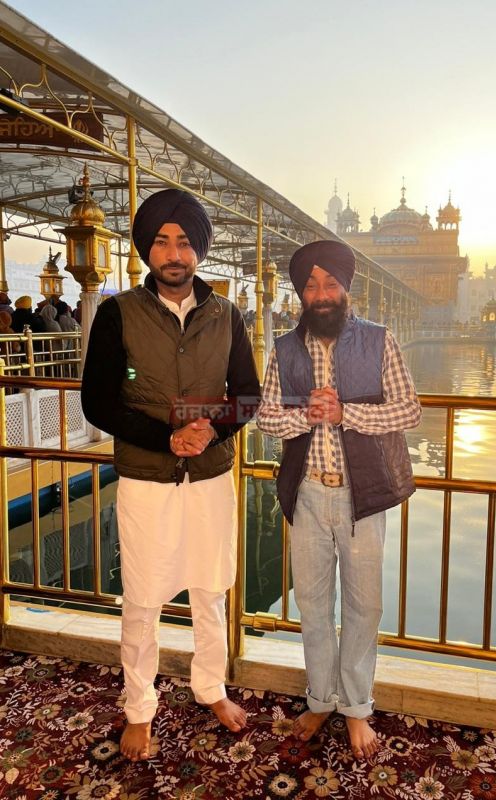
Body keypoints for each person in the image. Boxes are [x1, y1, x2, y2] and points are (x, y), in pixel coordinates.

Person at [81, 188, 260, 762]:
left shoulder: (227, 315)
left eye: (184, 241)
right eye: (161, 241)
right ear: (146, 250)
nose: (174, 253)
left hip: (208, 476)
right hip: (146, 479)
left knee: (209, 590)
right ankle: (139, 708)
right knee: (142, 597)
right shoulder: (118, 313)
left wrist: (211, 430)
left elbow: (248, 396)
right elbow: (97, 402)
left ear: (199, 250)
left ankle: (211, 688)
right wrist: (166, 438)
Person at [256, 240, 421, 759]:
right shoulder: (284, 349)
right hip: (307, 493)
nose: (321, 294)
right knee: (311, 605)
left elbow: (409, 410)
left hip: (361, 495)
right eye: (310, 285)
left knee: (364, 606)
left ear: (346, 289)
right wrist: (305, 416)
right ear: (301, 294)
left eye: (330, 283)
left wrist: (346, 412)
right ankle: (320, 699)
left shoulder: (378, 340)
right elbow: (266, 418)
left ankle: (356, 706)